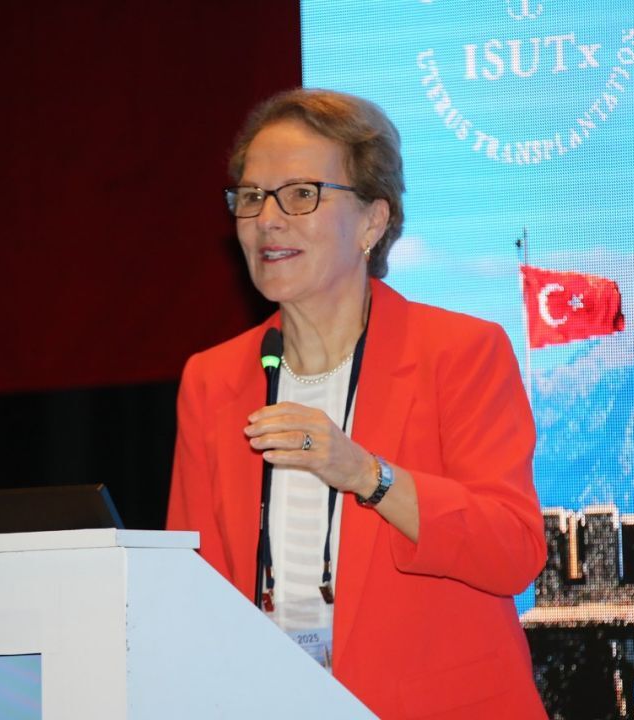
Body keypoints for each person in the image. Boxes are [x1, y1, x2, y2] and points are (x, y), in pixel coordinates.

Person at [167, 88, 547, 719]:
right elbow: (195, 585)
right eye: (252, 196)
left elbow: (513, 551)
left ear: (373, 221)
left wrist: (367, 475)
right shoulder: (212, 379)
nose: (268, 219)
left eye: (301, 194)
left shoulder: (459, 353)